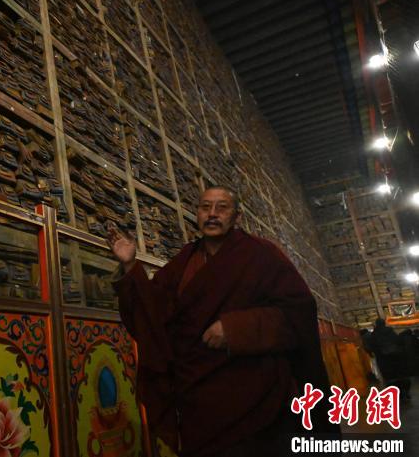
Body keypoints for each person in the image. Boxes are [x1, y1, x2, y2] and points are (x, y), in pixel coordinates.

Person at [107, 186, 339, 457]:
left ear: (237, 216)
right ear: (197, 214)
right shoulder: (185, 261)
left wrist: (237, 329)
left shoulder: (260, 254)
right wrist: (130, 266)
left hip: (256, 398)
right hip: (198, 401)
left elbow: (298, 311)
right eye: (205, 207)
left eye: (222, 207)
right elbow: (153, 315)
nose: (212, 214)